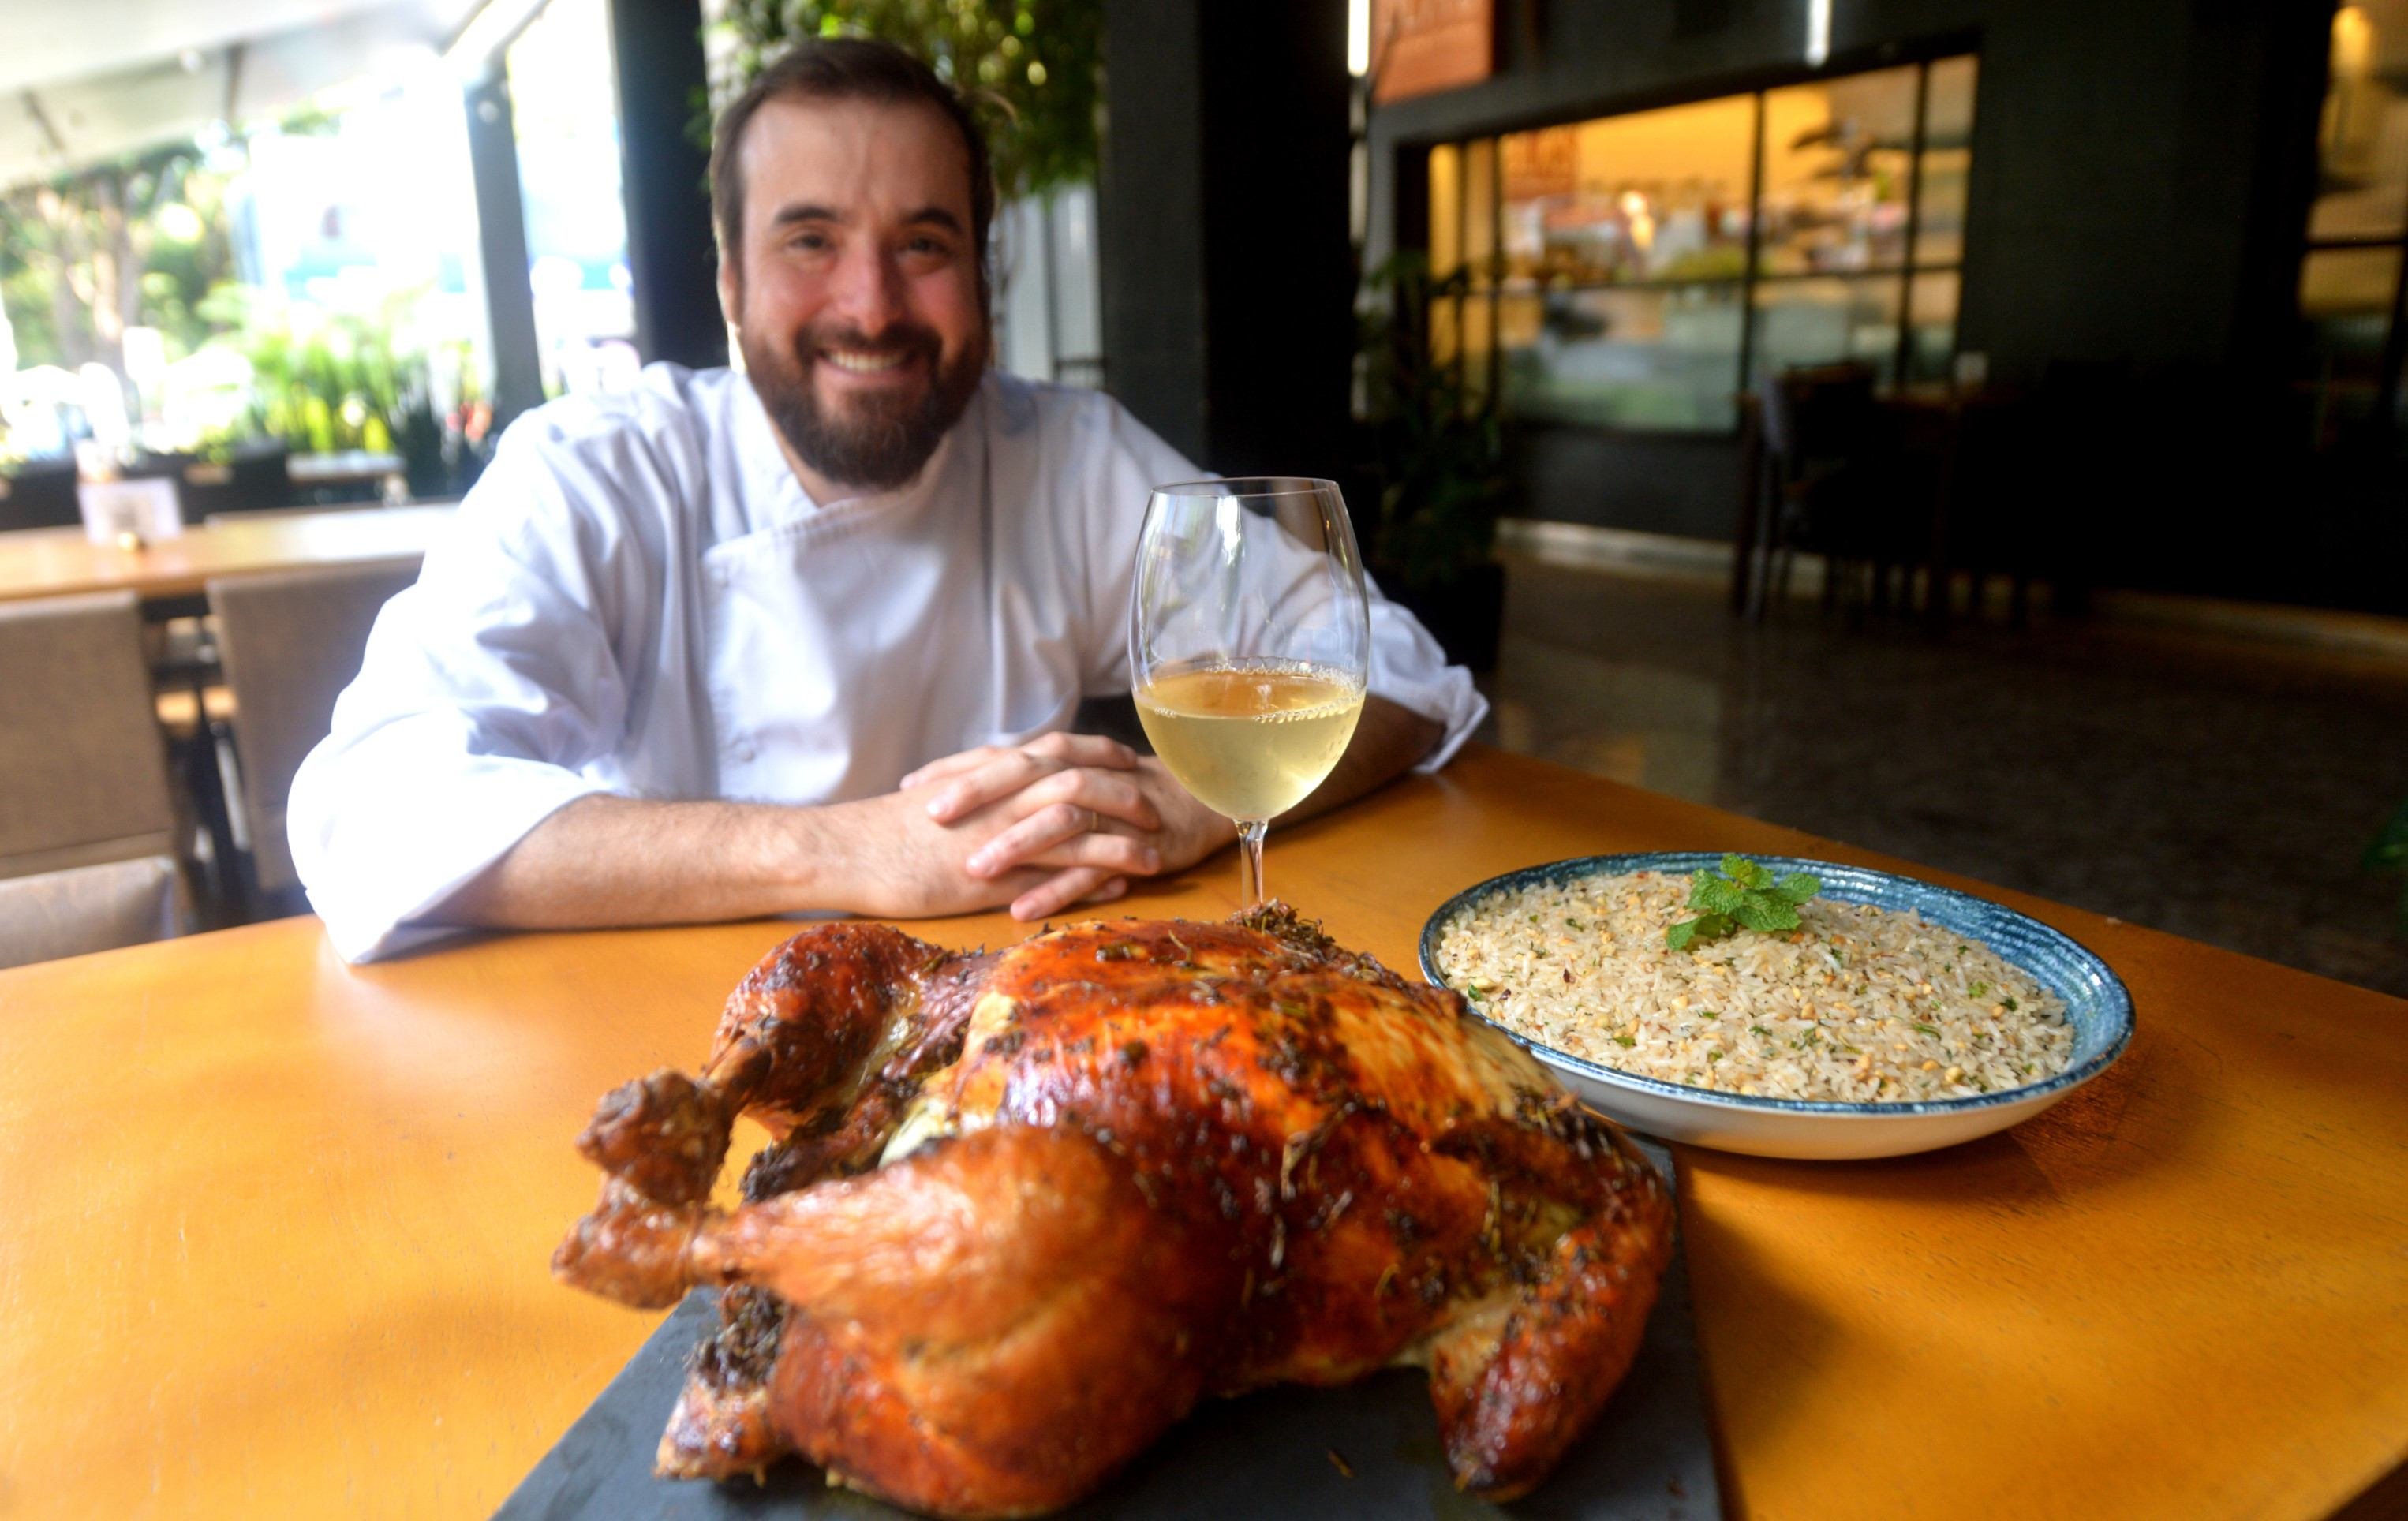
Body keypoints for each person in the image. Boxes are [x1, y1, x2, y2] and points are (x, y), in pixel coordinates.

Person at [287, 38, 1485, 963]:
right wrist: (845, 848)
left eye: (923, 244)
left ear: (982, 272)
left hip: (1013, 1027)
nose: (871, 306)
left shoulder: (1063, 457)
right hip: (669, 1030)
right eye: (810, 241)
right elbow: (369, 808)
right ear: (730, 281)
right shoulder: (601, 473)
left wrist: (1195, 801)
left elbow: (1402, 675)